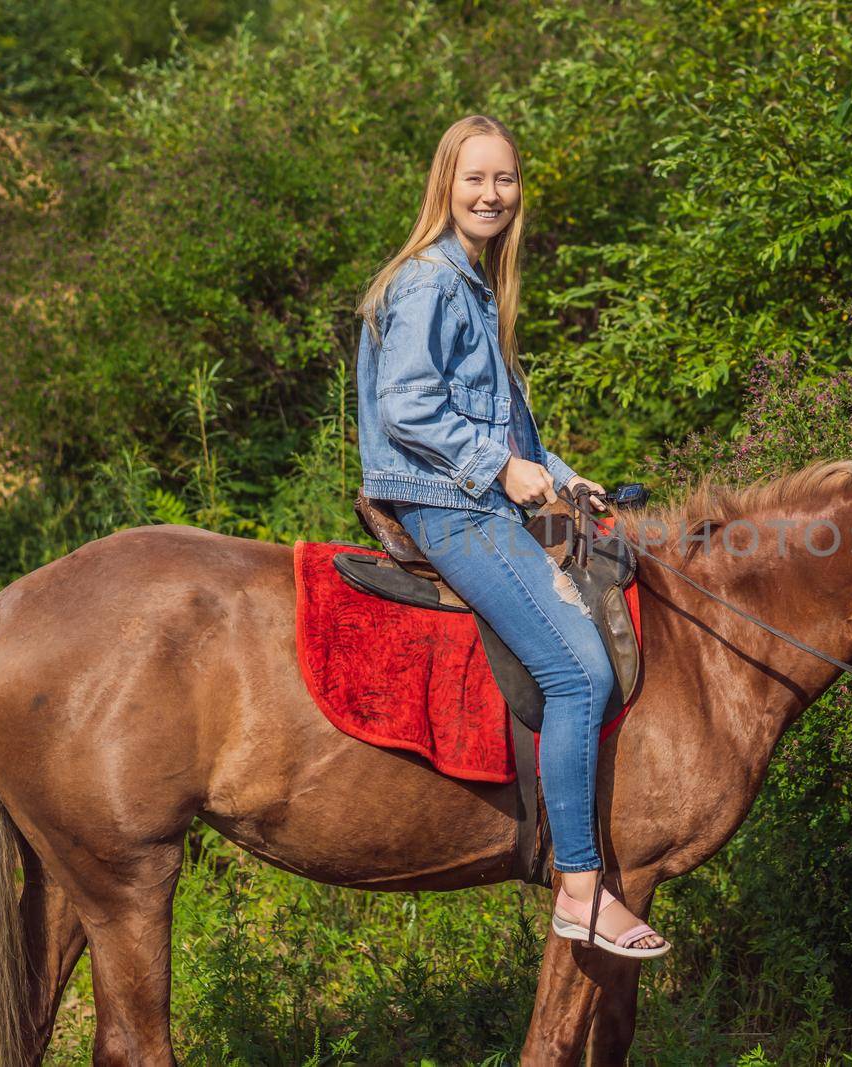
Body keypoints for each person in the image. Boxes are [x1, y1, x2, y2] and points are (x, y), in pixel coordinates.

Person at [354, 115, 669, 959]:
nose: (491, 195)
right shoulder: (430, 282)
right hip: (448, 507)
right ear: (444, 187)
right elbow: (407, 406)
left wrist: (559, 474)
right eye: (474, 179)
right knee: (579, 673)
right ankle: (578, 887)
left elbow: (502, 426)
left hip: (477, 494)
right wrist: (502, 469)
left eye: (504, 180)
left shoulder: (472, 283)